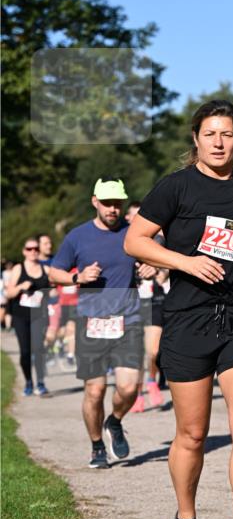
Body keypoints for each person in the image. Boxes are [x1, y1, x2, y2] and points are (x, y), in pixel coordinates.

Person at [124, 98, 233, 519]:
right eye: (210, 133)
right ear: (196, 139)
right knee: (192, 433)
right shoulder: (176, 187)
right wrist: (184, 261)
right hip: (188, 318)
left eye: (227, 134)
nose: (218, 141)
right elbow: (136, 240)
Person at [49, 178, 144, 469]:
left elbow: (154, 257)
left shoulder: (133, 234)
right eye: (107, 203)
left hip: (128, 320)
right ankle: (96, 446)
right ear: (95, 202)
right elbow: (54, 272)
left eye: (117, 204)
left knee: (128, 389)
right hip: (91, 323)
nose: (113, 209)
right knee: (95, 390)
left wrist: (152, 265)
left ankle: (114, 422)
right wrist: (78, 278)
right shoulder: (78, 237)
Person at [126, 201, 167, 412]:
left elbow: (167, 267)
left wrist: (158, 269)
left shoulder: (157, 240)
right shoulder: (122, 242)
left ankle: (152, 380)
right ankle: (138, 393)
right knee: (137, 352)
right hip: (132, 303)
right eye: (132, 216)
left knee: (152, 350)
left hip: (155, 301)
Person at [5, 238, 52, 396]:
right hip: (21, 315)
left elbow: (53, 290)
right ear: (24, 251)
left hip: (39, 315)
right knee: (25, 351)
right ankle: (28, 382)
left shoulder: (45, 269)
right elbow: (8, 293)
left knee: (39, 349)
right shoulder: (19, 268)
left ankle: (40, 382)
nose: (33, 251)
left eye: (36, 249)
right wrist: (20, 287)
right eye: (29, 249)